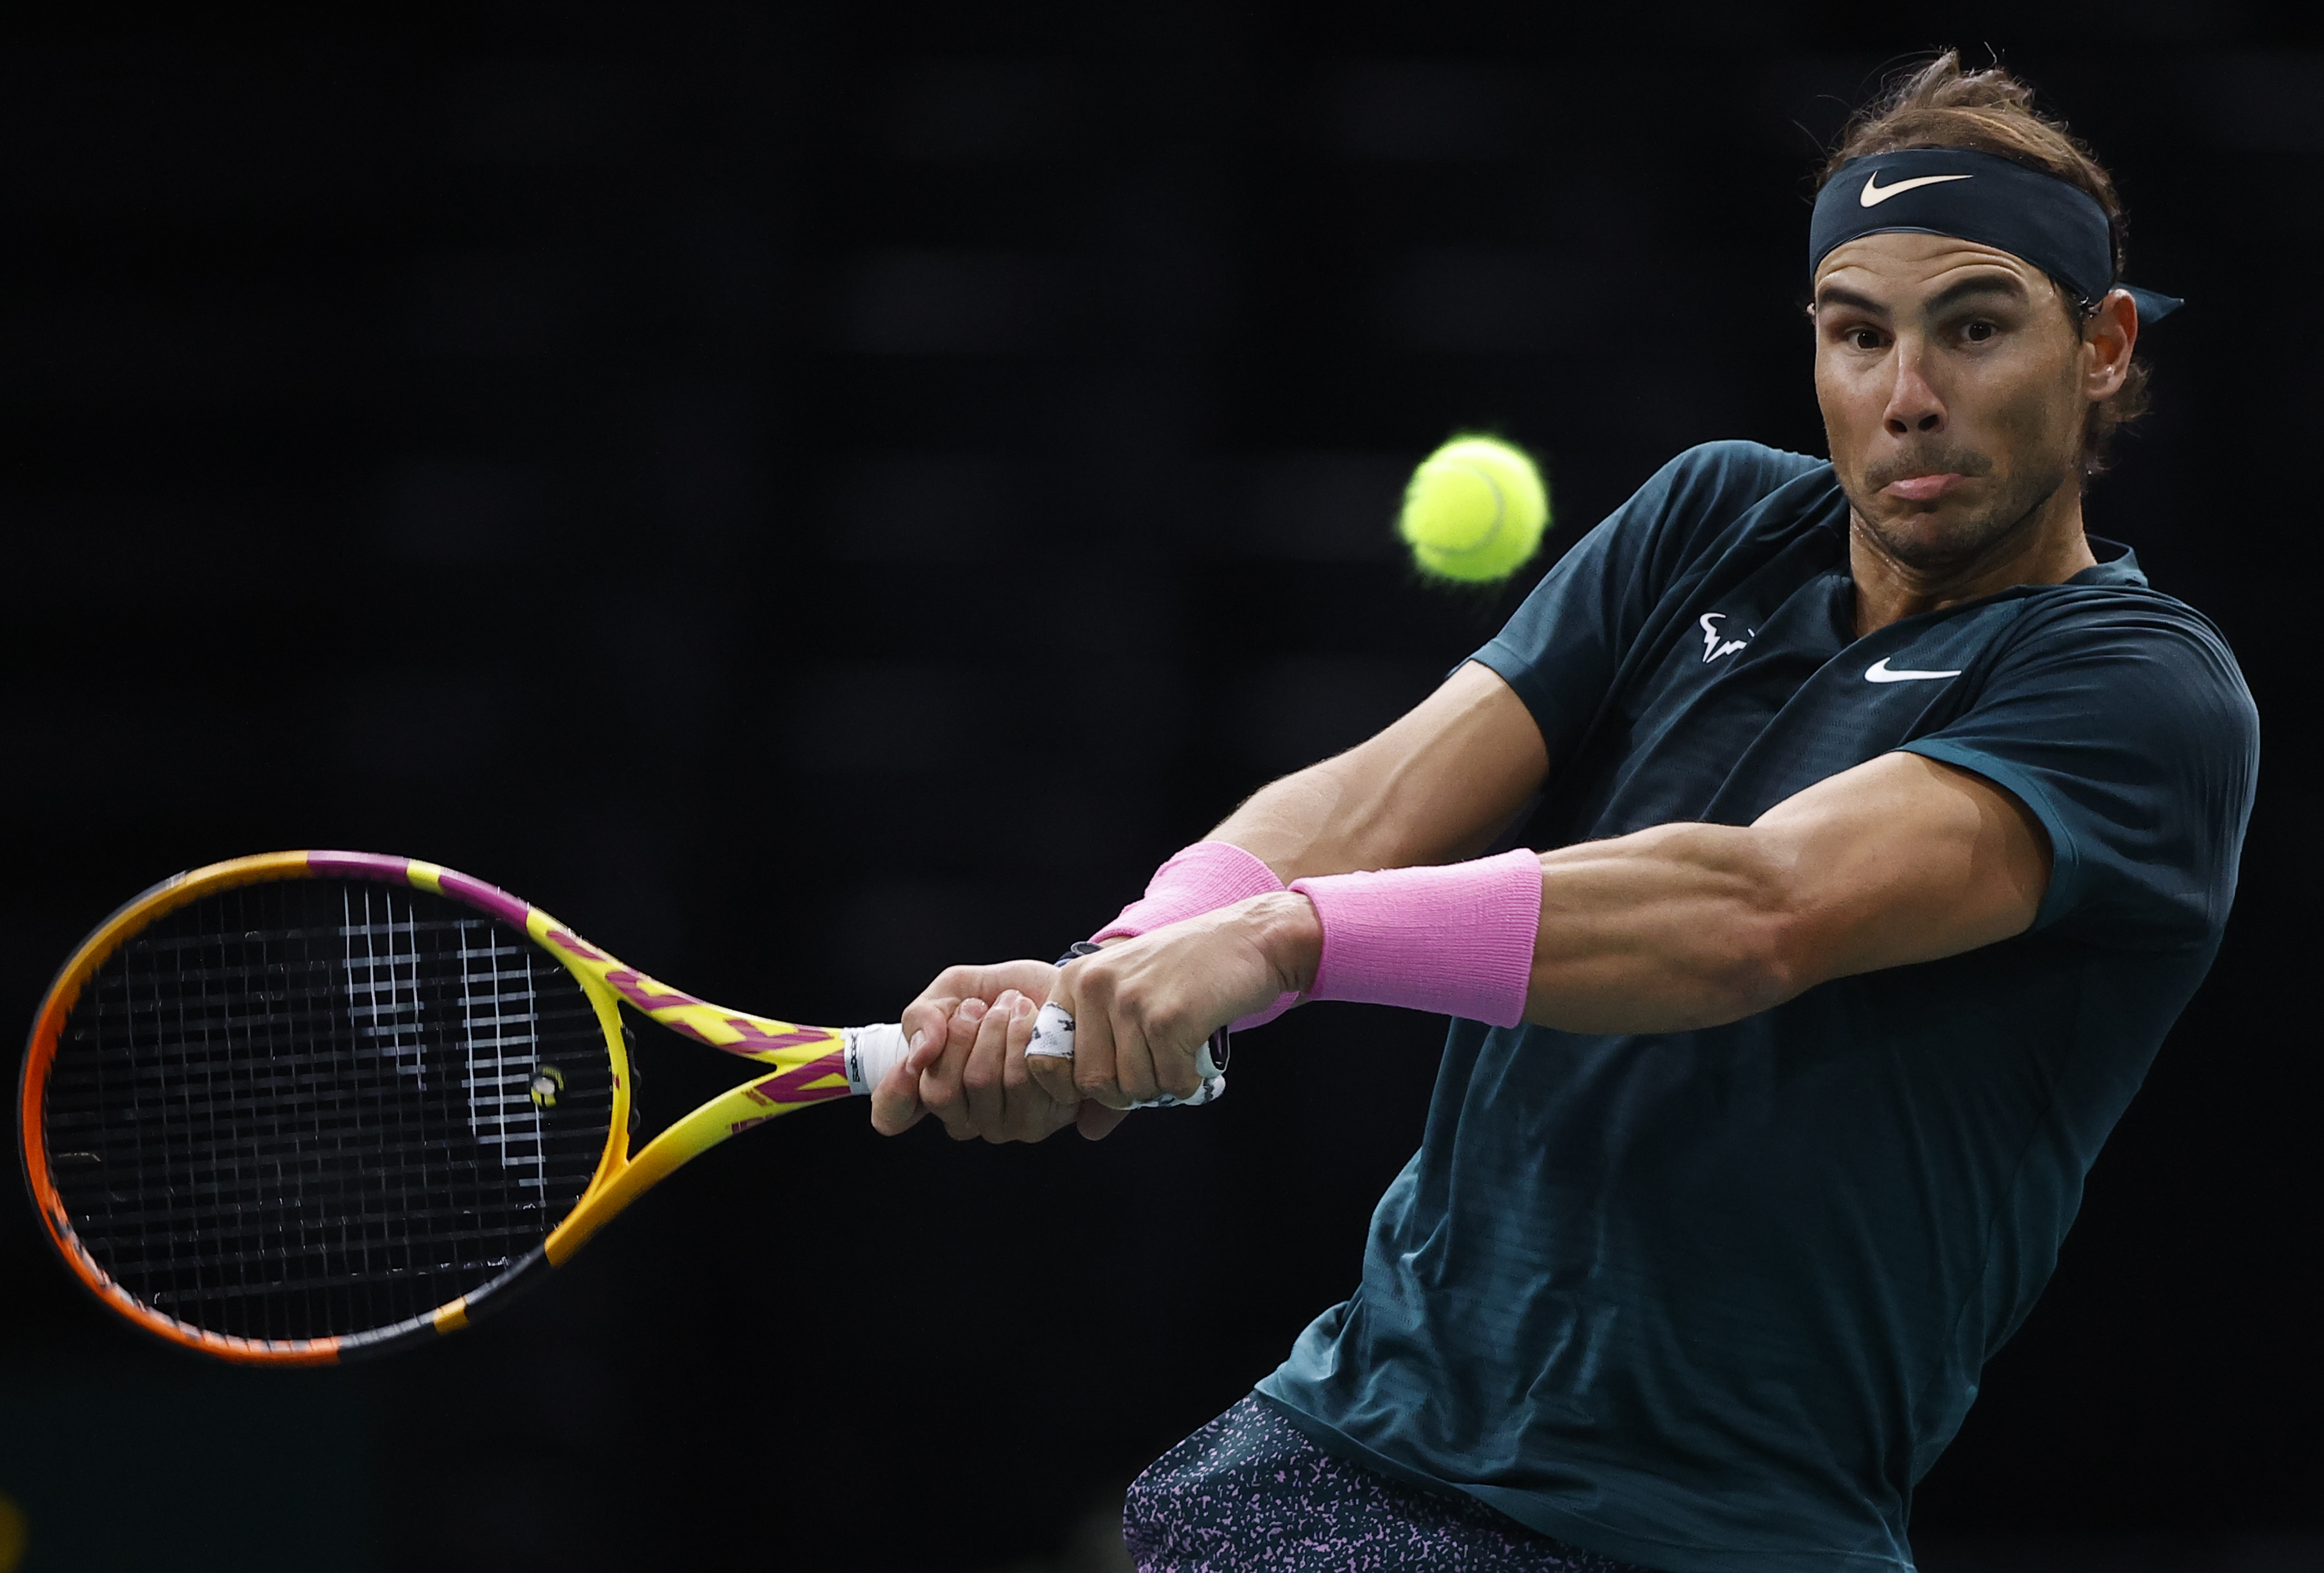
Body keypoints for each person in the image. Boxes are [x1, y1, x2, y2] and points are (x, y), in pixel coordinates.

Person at [869, 53, 2258, 1573]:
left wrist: (1282, 945)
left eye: (1974, 330)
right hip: (1345, 1445)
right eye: (1857, 336)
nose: (1906, 397)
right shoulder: (1714, 516)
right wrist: (1119, 967)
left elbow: (1752, 915)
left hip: (1703, 1536)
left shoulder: (2144, 696)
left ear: (2104, 345)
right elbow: (1387, 792)